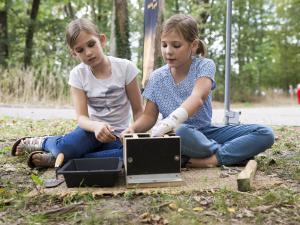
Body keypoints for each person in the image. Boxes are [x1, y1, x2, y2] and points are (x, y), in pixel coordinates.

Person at [122, 14, 275, 168]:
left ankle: (205, 159)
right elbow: (148, 116)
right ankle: (228, 153)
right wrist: (132, 129)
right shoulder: (156, 77)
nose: (168, 51)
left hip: (207, 133)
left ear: (193, 45)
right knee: (181, 132)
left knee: (265, 133)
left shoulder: (205, 66)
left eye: (176, 46)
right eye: (164, 45)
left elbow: (197, 98)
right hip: (177, 136)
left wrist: (170, 120)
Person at [11, 18, 143, 168]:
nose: (88, 52)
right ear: (74, 53)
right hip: (89, 132)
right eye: (80, 50)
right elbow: (81, 118)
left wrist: (133, 131)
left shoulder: (126, 68)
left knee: (130, 154)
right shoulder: (77, 74)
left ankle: (61, 159)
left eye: (91, 44)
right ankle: (44, 142)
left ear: (102, 40)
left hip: (118, 136)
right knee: (66, 147)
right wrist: (96, 127)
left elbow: (139, 111)